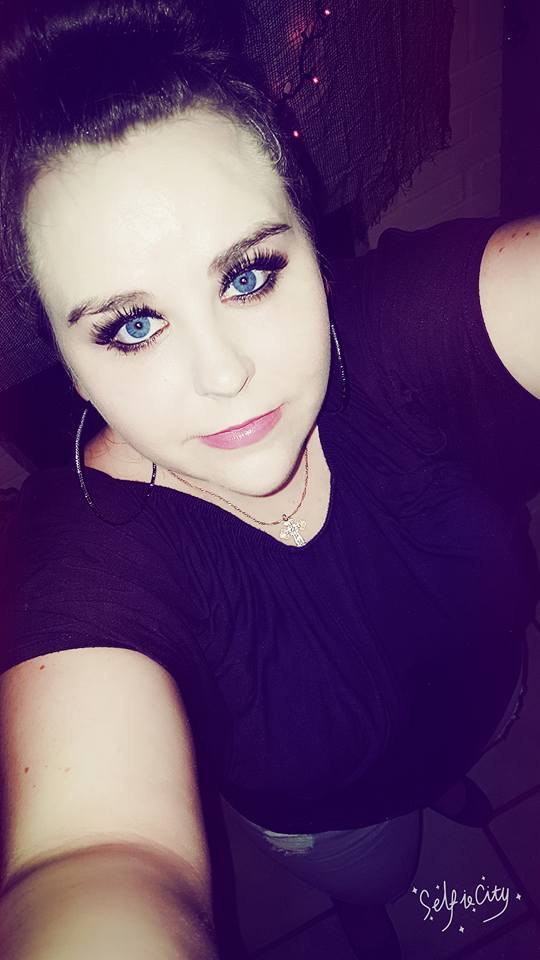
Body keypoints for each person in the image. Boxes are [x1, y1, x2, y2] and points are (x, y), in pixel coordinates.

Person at [1, 2, 540, 958]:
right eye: (132, 326)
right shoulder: (83, 562)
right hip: (338, 825)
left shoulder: (405, 333)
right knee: (378, 870)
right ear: (70, 367)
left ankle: (442, 782)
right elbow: (92, 857)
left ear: (315, 250)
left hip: (482, 706)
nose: (223, 376)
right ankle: (370, 901)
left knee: (451, 764)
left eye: (248, 275)